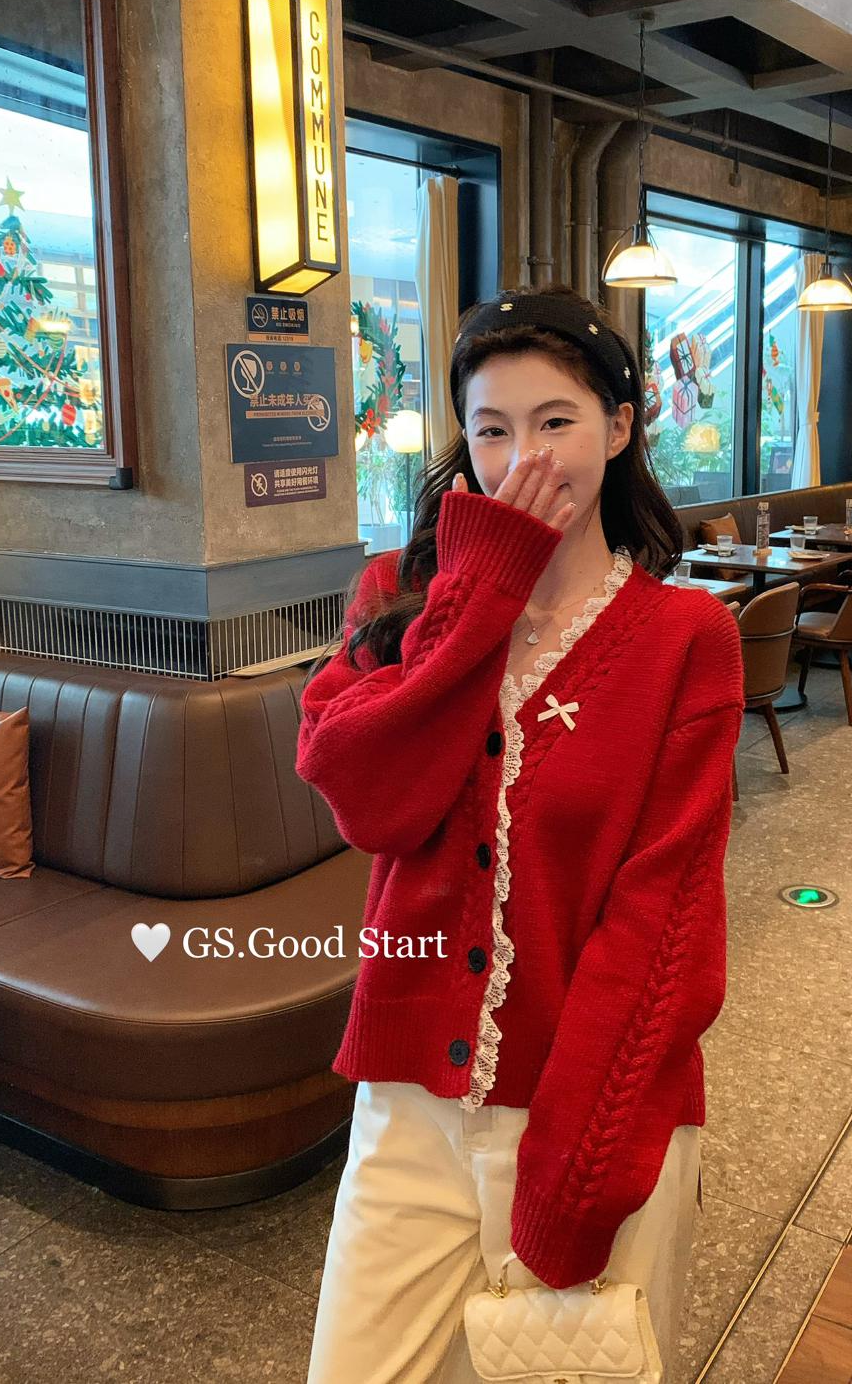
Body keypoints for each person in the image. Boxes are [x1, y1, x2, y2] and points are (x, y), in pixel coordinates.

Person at [295, 284, 744, 1383]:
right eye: (491, 430)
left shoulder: (684, 636)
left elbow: (664, 918)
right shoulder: (397, 596)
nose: (522, 460)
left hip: (593, 1112)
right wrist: (483, 589)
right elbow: (368, 800)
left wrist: (575, 1169)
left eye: (556, 422)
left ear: (620, 428)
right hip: (408, 1106)